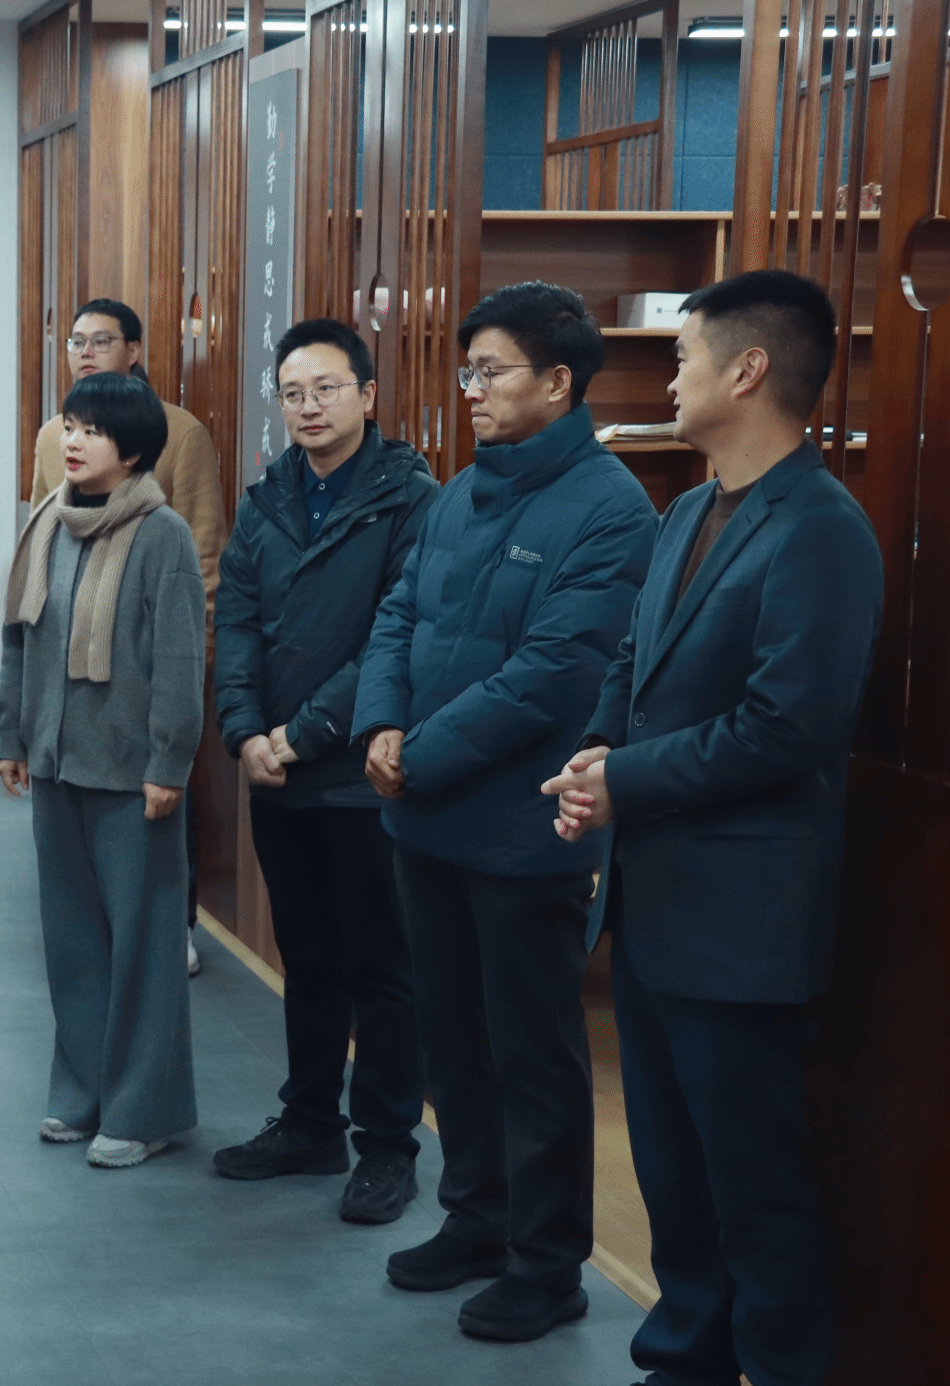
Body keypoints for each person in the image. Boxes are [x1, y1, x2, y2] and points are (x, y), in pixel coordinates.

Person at [542, 271, 880, 1386]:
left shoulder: (822, 530)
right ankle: (683, 1361)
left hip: (743, 926)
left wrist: (626, 781)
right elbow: (633, 655)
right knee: (673, 1176)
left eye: (683, 357)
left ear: (747, 370)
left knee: (753, 1189)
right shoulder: (688, 508)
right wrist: (597, 751)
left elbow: (788, 729)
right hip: (653, 904)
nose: (669, 379)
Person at [352, 281, 656, 1343]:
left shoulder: (612, 509)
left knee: (530, 1052)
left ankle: (546, 1261)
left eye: (490, 372)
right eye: (467, 371)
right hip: (425, 817)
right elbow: (398, 612)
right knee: (451, 1037)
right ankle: (475, 1219)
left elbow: (553, 675)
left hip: (522, 831)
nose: (470, 390)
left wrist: (417, 757)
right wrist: (379, 724)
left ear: (558, 382)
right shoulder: (456, 491)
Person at [211, 319, 437, 1219]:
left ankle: (387, 1146)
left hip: (358, 770)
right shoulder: (269, 495)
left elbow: (398, 630)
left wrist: (303, 733)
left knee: (382, 966)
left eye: (327, 389)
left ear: (368, 396)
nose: (308, 407)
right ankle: (309, 1123)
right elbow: (237, 619)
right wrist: (244, 730)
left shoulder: (410, 497)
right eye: (294, 393)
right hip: (278, 768)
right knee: (306, 958)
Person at [0, 372, 205, 1170]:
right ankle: (82, 1091)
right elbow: (20, 636)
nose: (73, 441)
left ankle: (144, 1110)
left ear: (135, 450)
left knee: (145, 947)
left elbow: (180, 659)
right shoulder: (48, 522)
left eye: (93, 430)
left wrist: (169, 762)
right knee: (73, 942)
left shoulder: (162, 535)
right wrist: (11, 735)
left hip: (132, 774)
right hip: (56, 765)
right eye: (70, 425)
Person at [27, 298, 225, 976]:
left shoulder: (179, 432)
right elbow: (42, 536)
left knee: (163, 803)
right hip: (69, 661)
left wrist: (191, 660)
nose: (85, 352)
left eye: (101, 340)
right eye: (76, 341)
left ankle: (177, 924)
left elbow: (202, 551)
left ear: (134, 351)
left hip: (147, 658)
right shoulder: (53, 434)